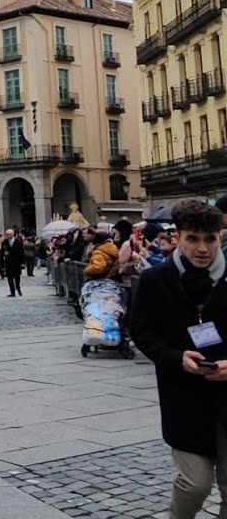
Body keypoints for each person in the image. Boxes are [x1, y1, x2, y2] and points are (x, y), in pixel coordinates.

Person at [130, 200, 227, 519]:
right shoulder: (156, 279)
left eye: (210, 239)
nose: (202, 248)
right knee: (195, 483)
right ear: (179, 237)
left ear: (219, 238)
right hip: (184, 396)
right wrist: (174, 358)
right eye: (193, 238)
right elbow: (142, 333)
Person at [0, 229, 24, 297]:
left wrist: (22, 263)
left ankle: (18, 288)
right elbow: (1, 253)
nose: (7, 235)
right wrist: (1, 264)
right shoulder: (4, 242)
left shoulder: (18, 242)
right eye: (6, 234)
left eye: (8, 234)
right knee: (9, 278)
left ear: (12, 234)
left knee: (17, 277)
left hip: (17, 263)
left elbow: (22, 253)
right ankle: (12, 292)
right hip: (8, 263)